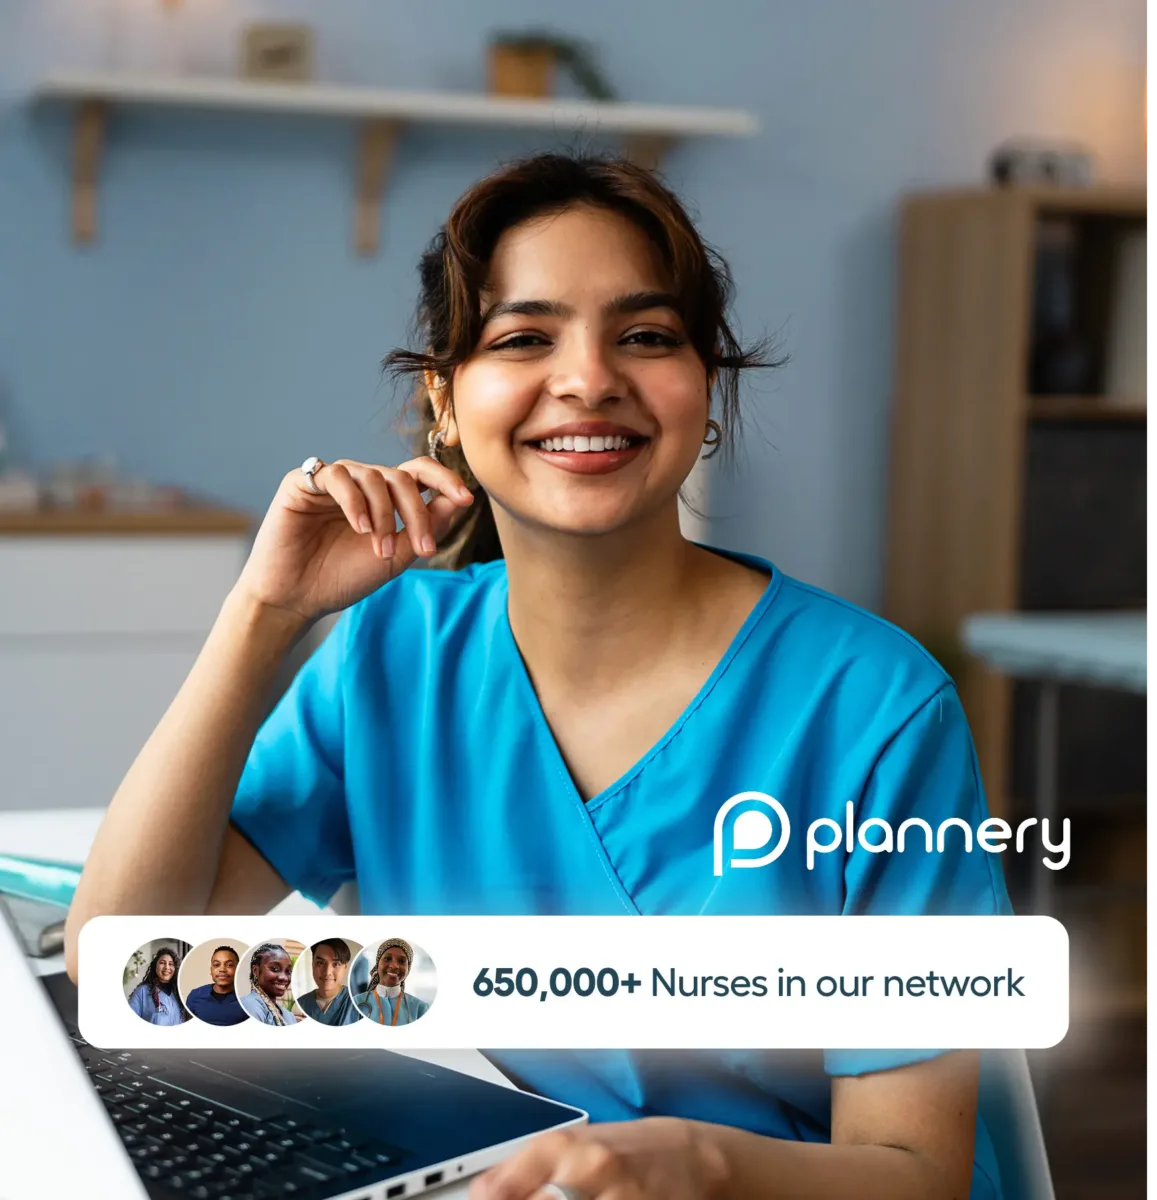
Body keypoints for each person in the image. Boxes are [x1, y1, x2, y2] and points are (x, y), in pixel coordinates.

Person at [67, 152, 1011, 1199]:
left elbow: (915, 1171)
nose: (588, 379)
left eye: (645, 337)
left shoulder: (873, 706)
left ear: (705, 389)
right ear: (444, 398)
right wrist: (263, 615)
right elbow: (122, 974)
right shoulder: (393, 652)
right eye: (523, 337)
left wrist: (699, 1162)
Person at [350, 938, 430, 1026]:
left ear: (408, 969)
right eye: (387, 959)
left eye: (402, 961)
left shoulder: (420, 1008)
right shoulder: (355, 1003)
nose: (394, 965)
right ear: (377, 964)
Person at [296, 938, 362, 1025]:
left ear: (345, 968)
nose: (327, 972)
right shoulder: (301, 1003)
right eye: (320, 963)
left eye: (336, 964)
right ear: (312, 964)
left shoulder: (359, 1003)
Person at [183, 944, 248, 1026]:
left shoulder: (247, 1001)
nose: (222, 969)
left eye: (229, 965)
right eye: (216, 965)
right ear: (211, 970)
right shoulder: (195, 996)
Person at [238, 942, 300, 1026]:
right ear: (255, 970)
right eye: (275, 969)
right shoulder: (249, 1005)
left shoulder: (289, 1016)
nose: (284, 977)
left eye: (288, 971)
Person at [126, 946, 187, 1025]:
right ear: (155, 966)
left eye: (171, 964)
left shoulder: (180, 993)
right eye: (162, 963)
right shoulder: (142, 992)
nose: (167, 967)